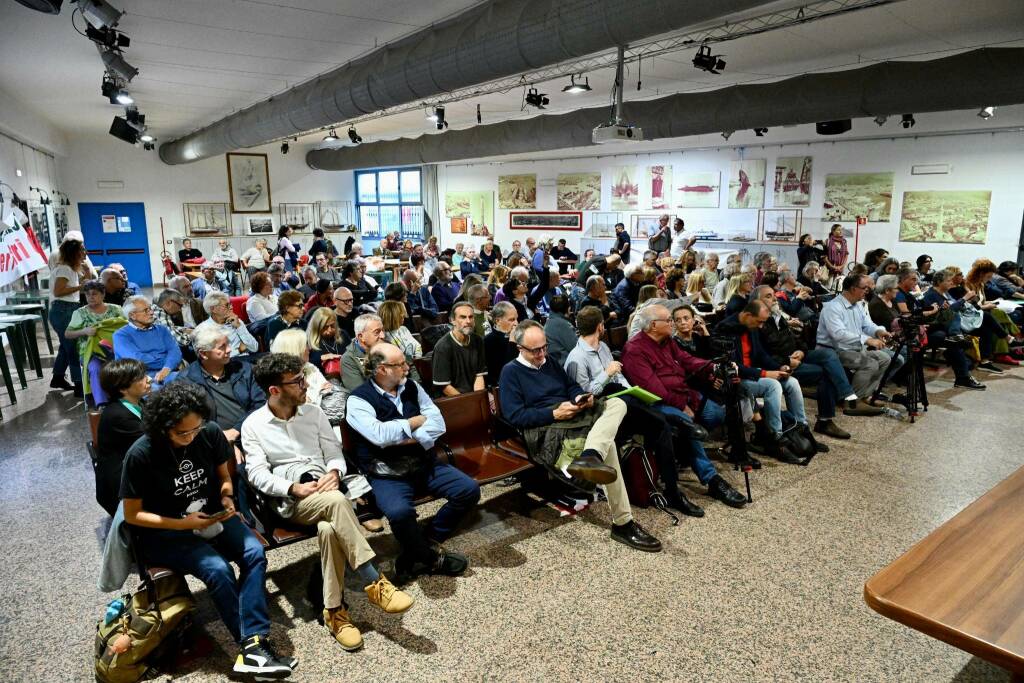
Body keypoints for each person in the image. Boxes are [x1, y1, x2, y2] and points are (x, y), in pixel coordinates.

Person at [120, 382, 295, 678]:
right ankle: (252, 647)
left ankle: (253, 644)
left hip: (211, 515)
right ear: (164, 428)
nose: (190, 437)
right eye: (181, 433)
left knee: (254, 552)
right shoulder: (142, 453)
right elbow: (133, 515)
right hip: (167, 530)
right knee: (217, 569)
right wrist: (184, 524)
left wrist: (227, 498)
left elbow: (223, 477)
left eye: (195, 429)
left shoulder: (210, 432)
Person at [241, 353, 410, 650]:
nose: (306, 384)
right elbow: (255, 474)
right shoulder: (254, 425)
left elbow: (334, 452)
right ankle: (374, 580)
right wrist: (292, 487)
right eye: (297, 381)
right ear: (275, 390)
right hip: (291, 501)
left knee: (329, 530)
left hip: (326, 489)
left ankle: (334, 613)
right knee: (335, 501)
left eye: (303, 377)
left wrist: (334, 471)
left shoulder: (314, 413)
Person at [500, 322, 661, 551]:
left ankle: (590, 456)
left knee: (616, 402)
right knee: (609, 447)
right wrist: (553, 413)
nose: (542, 354)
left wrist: (580, 397)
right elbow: (515, 416)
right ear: (520, 348)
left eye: (544, 347)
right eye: (535, 350)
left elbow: (571, 386)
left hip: (572, 416)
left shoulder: (550, 362)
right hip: (545, 427)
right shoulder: (510, 372)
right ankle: (622, 522)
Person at [566, 306, 735, 515]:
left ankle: (674, 488)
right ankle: (696, 461)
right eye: (669, 320)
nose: (672, 324)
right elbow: (584, 397)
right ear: (601, 326)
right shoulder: (576, 358)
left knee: (666, 424)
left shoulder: (602, 347)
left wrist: (631, 390)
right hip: (605, 410)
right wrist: (607, 375)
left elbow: (619, 378)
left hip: (630, 400)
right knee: (666, 420)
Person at [347, 343, 481, 581]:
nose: (407, 367)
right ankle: (426, 556)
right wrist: (412, 423)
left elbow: (438, 424)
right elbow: (378, 436)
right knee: (399, 512)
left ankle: (425, 539)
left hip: (423, 461)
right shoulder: (358, 400)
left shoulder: (412, 387)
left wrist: (403, 437)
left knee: (468, 490)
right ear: (381, 369)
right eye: (399, 364)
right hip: (386, 471)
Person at [183, 328, 267, 460]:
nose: (229, 350)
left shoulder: (244, 369)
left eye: (228, 344)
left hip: (254, 431)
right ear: (204, 354)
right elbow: (192, 421)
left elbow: (260, 403)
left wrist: (236, 430)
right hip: (214, 442)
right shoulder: (186, 381)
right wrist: (221, 439)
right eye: (222, 347)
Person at [817, 274, 894, 410]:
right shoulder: (833, 307)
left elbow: (867, 325)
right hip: (833, 351)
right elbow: (838, 334)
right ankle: (852, 402)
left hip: (852, 349)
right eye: (864, 288)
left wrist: (878, 331)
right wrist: (867, 339)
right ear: (853, 288)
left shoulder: (857, 305)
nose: (867, 291)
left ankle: (865, 395)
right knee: (869, 364)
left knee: (885, 358)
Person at [94, 359, 151, 515]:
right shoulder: (117, 415)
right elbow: (155, 443)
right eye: (141, 378)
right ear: (123, 388)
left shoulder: (138, 403)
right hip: (121, 489)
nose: (149, 379)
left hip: (137, 470)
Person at [916, 270, 986, 390]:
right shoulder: (931, 295)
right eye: (948, 281)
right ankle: (963, 377)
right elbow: (941, 314)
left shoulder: (946, 294)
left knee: (954, 341)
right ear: (939, 282)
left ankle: (963, 375)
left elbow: (952, 309)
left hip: (945, 327)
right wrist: (964, 299)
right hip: (932, 327)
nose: (951, 283)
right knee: (952, 335)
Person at [113, 295, 182, 390]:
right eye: (146, 310)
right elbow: (137, 360)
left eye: (150, 308)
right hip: (139, 378)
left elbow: (175, 352)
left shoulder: (162, 329)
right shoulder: (121, 335)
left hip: (168, 372)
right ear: (132, 315)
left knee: (186, 385)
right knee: (157, 395)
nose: (151, 312)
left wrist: (167, 368)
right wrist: (166, 361)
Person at [431, 302, 486, 396]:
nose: (468, 321)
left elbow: (479, 375)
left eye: (471, 317)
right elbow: (445, 387)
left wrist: (478, 398)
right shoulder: (442, 347)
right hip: (453, 399)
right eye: (463, 317)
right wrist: (468, 402)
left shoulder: (477, 340)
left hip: (473, 395)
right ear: (452, 320)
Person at [194, 291, 258, 357]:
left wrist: (239, 327)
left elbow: (255, 348)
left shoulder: (236, 321)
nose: (231, 307)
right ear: (213, 309)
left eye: (231, 304)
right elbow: (211, 358)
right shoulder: (202, 330)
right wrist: (239, 350)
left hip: (248, 358)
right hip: (225, 364)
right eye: (227, 305)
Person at [340, 313, 385, 392]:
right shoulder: (348, 360)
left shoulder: (388, 346)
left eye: (382, 330)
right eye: (377, 332)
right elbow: (361, 392)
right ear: (361, 336)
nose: (383, 336)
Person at [483, 301, 518, 386]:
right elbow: (506, 371)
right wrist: (512, 342)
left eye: (517, 319)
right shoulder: (489, 341)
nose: (516, 323)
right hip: (503, 386)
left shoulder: (520, 336)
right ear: (498, 321)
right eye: (512, 320)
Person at [151, 289, 195, 354]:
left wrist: (184, 329)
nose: (180, 310)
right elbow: (181, 341)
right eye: (180, 305)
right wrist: (195, 333)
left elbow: (169, 327)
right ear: (169, 303)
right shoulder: (161, 315)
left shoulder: (155, 308)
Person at [307, 306, 349, 373]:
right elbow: (306, 364)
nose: (329, 330)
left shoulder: (342, 334)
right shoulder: (308, 341)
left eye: (332, 326)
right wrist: (322, 358)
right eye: (325, 327)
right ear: (317, 327)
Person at [543, 295, 577, 367]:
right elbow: (576, 348)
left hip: (555, 364)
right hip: (564, 365)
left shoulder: (550, 321)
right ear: (567, 308)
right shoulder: (562, 324)